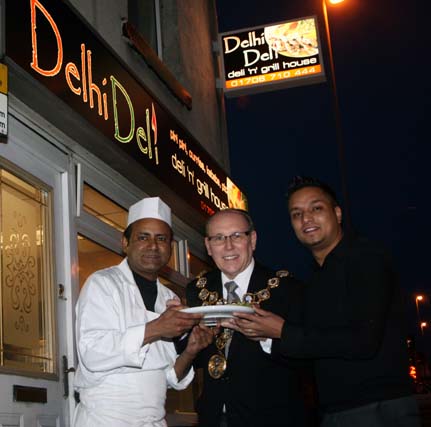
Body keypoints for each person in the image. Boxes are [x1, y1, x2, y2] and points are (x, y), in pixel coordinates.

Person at [227, 176, 421, 427]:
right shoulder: (314, 279)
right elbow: (311, 350)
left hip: (378, 409)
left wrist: (282, 330)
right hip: (336, 412)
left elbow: (363, 341)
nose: (306, 219)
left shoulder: (366, 258)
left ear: (337, 213)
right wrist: (263, 334)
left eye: (316, 208)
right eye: (296, 214)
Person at [73, 196, 214, 427]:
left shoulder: (170, 298)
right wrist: (157, 328)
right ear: (125, 243)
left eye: (161, 239)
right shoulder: (102, 284)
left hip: (155, 420)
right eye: (143, 237)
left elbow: (168, 378)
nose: (153, 246)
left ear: (170, 247)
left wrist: (191, 350)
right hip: (105, 419)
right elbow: (92, 353)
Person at [186, 208, 308, 427]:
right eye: (219, 238)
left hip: (271, 418)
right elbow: (195, 360)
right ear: (208, 246)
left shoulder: (286, 289)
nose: (228, 246)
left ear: (252, 240)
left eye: (236, 236)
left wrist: (267, 338)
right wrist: (186, 339)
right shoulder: (196, 290)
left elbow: (308, 358)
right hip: (213, 417)